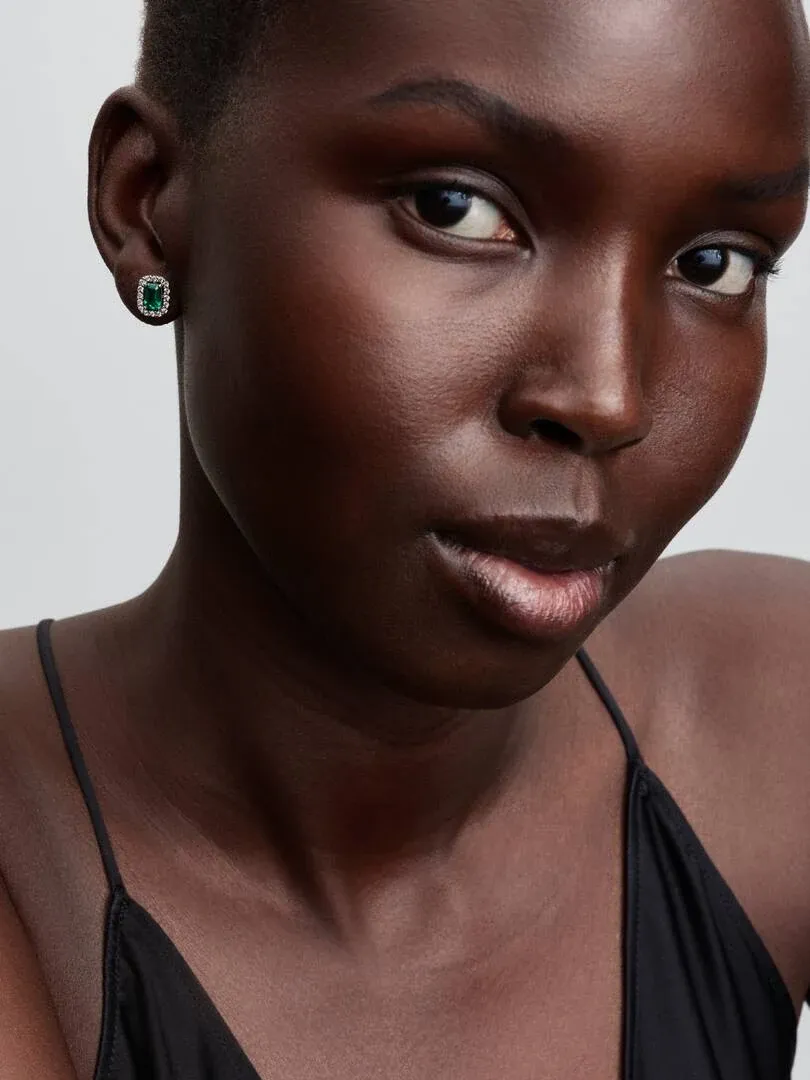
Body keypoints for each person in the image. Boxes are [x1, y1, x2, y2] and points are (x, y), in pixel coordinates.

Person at [2, 0, 810, 1076]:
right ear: (147, 202)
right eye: (457, 208)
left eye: (716, 265)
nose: (609, 397)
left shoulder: (774, 719)